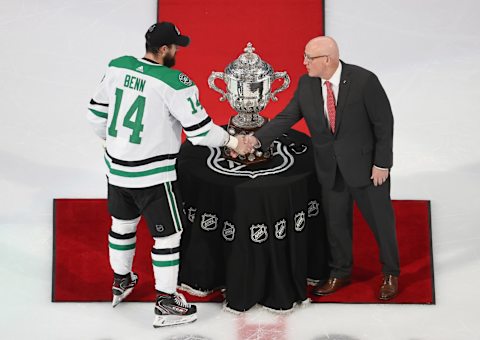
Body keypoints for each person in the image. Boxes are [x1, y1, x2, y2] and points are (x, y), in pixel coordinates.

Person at [86, 21, 251, 327]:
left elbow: (95, 116)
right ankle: (165, 302)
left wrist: (114, 144)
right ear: (164, 49)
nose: (177, 51)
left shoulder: (118, 67)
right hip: (153, 176)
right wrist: (233, 141)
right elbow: (200, 133)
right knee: (169, 236)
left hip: (117, 170)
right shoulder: (176, 82)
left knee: (122, 225)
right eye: (175, 46)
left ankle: (121, 279)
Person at [246, 36, 400, 300]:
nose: (303, 62)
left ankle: (390, 272)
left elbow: (383, 124)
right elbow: (286, 117)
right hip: (330, 169)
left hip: (367, 169)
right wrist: (255, 139)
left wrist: (382, 163)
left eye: (309, 57)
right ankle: (340, 272)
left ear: (327, 60)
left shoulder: (364, 81)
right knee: (336, 224)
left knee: (381, 223)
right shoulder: (307, 85)